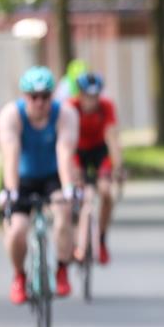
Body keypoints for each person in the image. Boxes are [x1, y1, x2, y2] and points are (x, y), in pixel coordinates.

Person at [0, 66, 79, 304]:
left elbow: (65, 152)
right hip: (21, 178)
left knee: (63, 213)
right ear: (24, 96)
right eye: (34, 97)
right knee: (17, 231)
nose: (40, 102)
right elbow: (11, 154)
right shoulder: (11, 115)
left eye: (46, 96)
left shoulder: (65, 113)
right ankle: (19, 276)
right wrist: (11, 192)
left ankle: (62, 269)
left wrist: (68, 189)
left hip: (52, 175)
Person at [69, 71, 123, 265]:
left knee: (106, 192)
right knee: (77, 193)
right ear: (80, 94)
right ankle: (75, 238)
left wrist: (118, 166)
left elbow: (112, 138)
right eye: (87, 95)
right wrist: (71, 170)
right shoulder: (71, 107)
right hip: (77, 151)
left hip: (99, 151)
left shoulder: (106, 107)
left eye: (95, 95)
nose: (91, 100)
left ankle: (101, 238)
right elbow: (65, 143)